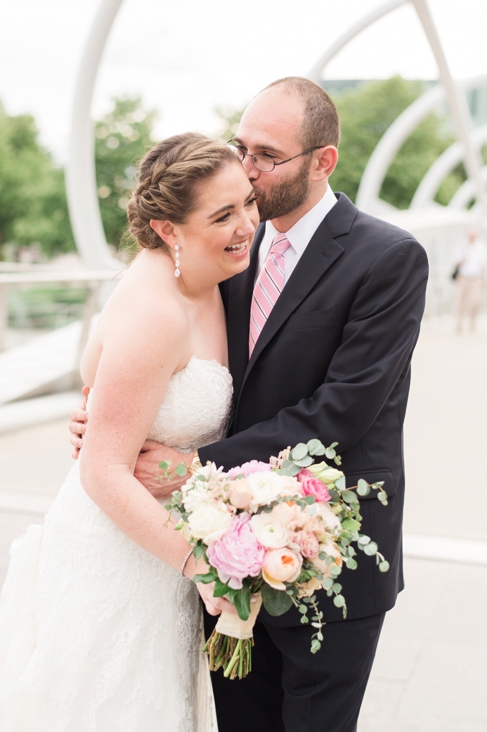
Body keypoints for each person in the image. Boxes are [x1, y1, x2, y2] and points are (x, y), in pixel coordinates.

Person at [70, 78, 429, 732]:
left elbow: (340, 411)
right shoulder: (228, 247)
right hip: (223, 548)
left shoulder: (390, 258)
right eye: (241, 145)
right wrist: (110, 418)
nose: (246, 167)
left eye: (267, 154)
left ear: (323, 161)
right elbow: (154, 340)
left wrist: (192, 464)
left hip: (331, 557)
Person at [0, 133, 256, 730]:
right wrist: (203, 568)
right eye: (223, 215)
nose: (247, 224)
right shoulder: (154, 312)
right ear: (169, 229)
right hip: (120, 551)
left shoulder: (212, 275)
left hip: (160, 541)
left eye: (247, 202)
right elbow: (102, 470)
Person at [454, 228, 487, 333]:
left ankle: (472, 322)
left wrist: (483, 279)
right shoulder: (462, 245)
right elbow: (455, 262)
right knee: (460, 301)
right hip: (463, 277)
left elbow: (483, 265)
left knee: (475, 301)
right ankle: (459, 323)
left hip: (475, 279)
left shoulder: (481, 246)